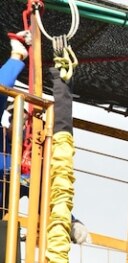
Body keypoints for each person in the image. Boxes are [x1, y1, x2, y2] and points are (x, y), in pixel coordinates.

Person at [0, 31, 89, 244]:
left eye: (25, 119)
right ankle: (16, 56)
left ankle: (68, 222)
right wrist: (16, 57)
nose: (20, 124)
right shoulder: (3, 137)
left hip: (19, 180)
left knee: (34, 178)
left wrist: (68, 219)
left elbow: (45, 191)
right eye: (16, 117)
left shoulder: (35, 151)